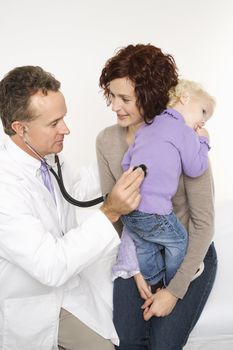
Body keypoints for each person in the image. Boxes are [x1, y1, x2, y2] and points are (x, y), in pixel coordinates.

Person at [0, 65, 145, 350]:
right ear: (20, 128)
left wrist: (131, 145)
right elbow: (50, 266)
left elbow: (76, 187)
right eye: (54, 123)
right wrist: (111, 212)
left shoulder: (46, 158)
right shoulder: (5, 188)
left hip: (68, 292)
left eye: (63, 118)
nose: (66, 129)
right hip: (34, 305)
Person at [96, 44, 217, 349]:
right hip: (137, 247)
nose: (115, 106)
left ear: (150, 94)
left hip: (189, 251)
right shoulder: (107, 141)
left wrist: (173, 291)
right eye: (111, 96)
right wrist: (135, 269)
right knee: (128, 342)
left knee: (162, 345)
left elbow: (203, 224)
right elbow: (118, 215)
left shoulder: (183, 136)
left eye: (124, 98)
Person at [113, 78, 215, 291]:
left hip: (129, 209)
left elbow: (126, 162)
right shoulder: (185, 132)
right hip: (156, 212)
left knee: (145, 245)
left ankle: (153, 279)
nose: (204, 121)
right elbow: (195, 168)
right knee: (179, 243)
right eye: (204, 112)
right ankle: (169, 284)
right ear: (185, 98)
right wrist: (203, 142)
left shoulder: (148, 126)